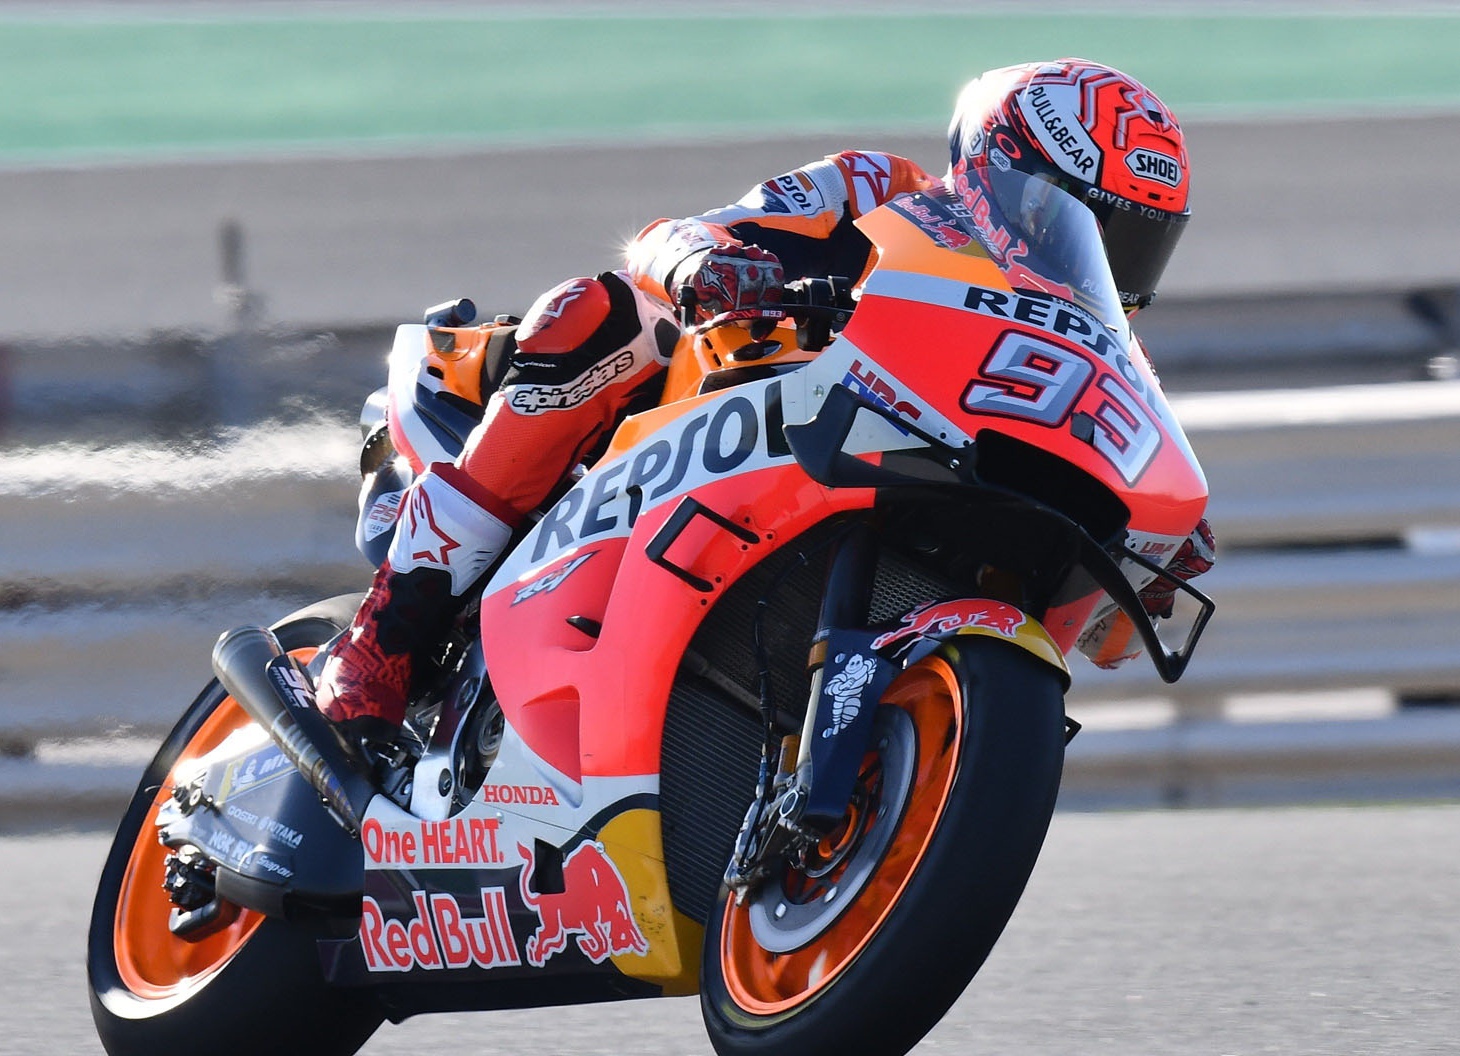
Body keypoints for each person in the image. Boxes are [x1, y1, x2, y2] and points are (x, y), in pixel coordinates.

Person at [315, 57, 1216, 745]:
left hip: (885, 486)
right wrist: (709, 265)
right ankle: (388, 630)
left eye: (1139, 245)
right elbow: (670, 239)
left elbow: (1124, 505)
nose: (1108, 261)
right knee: (606, 314)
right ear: (1001, 168)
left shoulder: (1108, 350)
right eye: (1093, 224)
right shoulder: (879, 194)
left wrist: (1159, 536)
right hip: (705, 417)